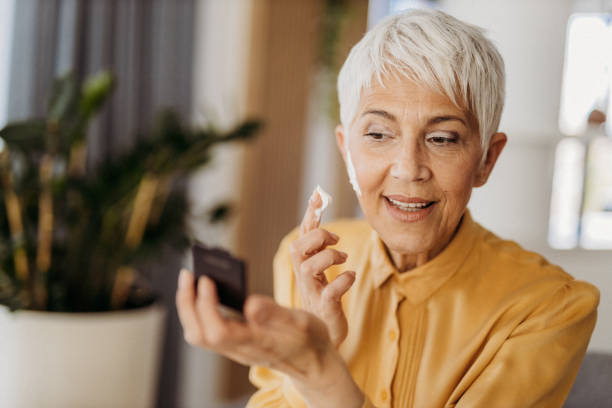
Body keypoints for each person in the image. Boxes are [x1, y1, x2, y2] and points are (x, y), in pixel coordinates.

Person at [176, 9, 599, 407]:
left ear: (487, 158)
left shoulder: (551, 307)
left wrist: (320, 370)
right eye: (379, 134)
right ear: (347, 151)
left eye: (442, 139)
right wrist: (303, 362)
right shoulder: (306, 261)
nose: (408, 169)